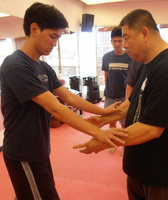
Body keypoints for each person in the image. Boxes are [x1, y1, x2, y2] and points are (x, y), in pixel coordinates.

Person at [0, 3, 127, 200]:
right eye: (53, 36)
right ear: (34, 29)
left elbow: (68, 97)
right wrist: (99, 133)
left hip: (39, 149)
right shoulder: (15, 65)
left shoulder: (43, 66)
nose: (55, 43)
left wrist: (104, 112)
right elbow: (56, 108)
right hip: (22, 152)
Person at [74, 9, 168, 200]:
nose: (123, 46)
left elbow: (152, 129)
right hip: (141, 168)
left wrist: (102, 141)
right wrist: (102, 120)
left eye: (126, 38)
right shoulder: (148, 63)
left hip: (165, 173)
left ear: (144, 33)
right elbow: (132, 102)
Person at [102, 27, 132, 154]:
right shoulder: (107, 57)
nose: (117, 44)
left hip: (124, 96)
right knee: (111, 122)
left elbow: (132, 79)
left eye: (120, 41)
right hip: (110, 96)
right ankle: (113, 143)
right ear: (111, 42)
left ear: (124, 41)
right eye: (115, 41)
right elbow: (106, 76)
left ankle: (124, 145)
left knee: (124, 125)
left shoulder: (129, 57)